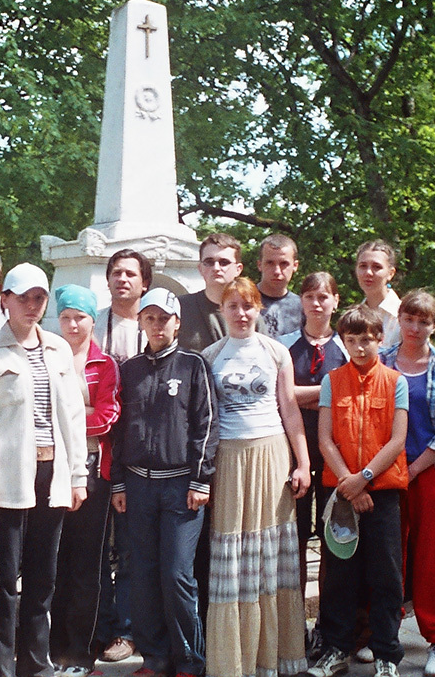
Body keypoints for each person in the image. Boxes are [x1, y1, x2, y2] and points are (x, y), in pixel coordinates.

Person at [0, 263, 89, 677]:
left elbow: (71, 415)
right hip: (8, 478)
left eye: (39, 298)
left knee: (42, 579)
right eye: (23, 298)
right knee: (2, 581)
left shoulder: (57, 348)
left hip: (51, 474)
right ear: (5, 300)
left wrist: (77, 475)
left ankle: (36, 664)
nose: (31, 306)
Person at [202, 278, 311, 677]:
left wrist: (302, 463)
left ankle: (275, 656)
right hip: (229, 459)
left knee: (270, 554)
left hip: (271, 455)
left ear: (258, 309)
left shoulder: (276, 351)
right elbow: (205, 420)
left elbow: (290, 410)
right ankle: (235, 661)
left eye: (248, 306)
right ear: (223, 310)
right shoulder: (210, 355)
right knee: (232, 556)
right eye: (233, 306)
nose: (242, 313)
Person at [109, 288, 217, 677]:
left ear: (177, 322)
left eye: (164, 318)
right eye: (150, 318)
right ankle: (155, 657)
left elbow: (206, 425)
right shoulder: (131, 369)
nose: (157, 325)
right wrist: (119, 483)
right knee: (141, 572)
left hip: (180, 487)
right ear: (141, 321)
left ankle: (189, 659)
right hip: (138, 486)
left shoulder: (193, 365)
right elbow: (120, 430)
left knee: (176, 574)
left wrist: (201, 479)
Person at [308, 304, 409, 677]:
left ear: (380, 339)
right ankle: (336, 650)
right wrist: (349, 484)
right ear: (344, 342)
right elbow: (325, 438)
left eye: (367, 339)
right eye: (352, 340)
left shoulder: (396, 382)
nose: (360, 348)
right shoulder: (333, 380)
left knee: (386, 575)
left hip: (381, 492)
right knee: (339, 575)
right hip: (342, 493)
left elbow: (397, 440)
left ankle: (386, 654)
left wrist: (363, 477)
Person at [380, 290, 435, 677]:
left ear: (434, 325)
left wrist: (412, 469)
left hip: (427, 470)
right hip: (386, 470)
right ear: (399, 318)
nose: (415, 328)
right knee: (388, 554)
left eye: (424, 321)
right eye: (409, 319)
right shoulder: (382, 360)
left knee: (433, 557)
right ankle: (386, 635)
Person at [50, 285, 121, 676]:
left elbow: (108, 416)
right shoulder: (47, 358)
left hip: (95, 472)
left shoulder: (105, 365)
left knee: (87, 565)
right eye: (66, 317)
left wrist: (66, 419)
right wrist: (81, 413)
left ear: (94, 320)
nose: (73, 324)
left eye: (80, 317)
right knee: (55, 561)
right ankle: (54, 647)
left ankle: (81, 652)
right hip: (53, 469)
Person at [277, 272, 347, 658]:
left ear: (335, 301)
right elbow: (282, 398)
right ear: (300, 302)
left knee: (334, 540)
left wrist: (304, 396)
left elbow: (350, 399)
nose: (317, 303)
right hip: (295, 456)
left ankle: (329, 624)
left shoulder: (347, 348)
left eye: (324, 296)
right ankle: (296, 623)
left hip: (338, 456)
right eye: (309, 296)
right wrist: (330, 390)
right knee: (296, 541)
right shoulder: (285, 348)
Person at [92, 249, 151, 663]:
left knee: (131, 546)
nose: (122, 280)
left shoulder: (155, 324)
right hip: (94, 446)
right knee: (93, 544)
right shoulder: (91, 322)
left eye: (131, 274)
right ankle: (98, 625)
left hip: (138, 449)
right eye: (116, 273)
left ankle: (128, 630)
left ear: (144, 282)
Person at [177, 233, 242, 352]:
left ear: (238, 269)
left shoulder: (249, 310)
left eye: (224, 262)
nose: (216, 268)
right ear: (200, 268)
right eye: (209, 262)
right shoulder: (180, 308)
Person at [354, 240, 401, 348]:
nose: (368, 273)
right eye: (363, 266)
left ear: (390, 273)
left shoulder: (405, 316)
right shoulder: (353, 316)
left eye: (376, 267)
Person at [256, 234, 304, 339]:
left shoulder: (304, 307)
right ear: (259, 265)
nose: (277, 271)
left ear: (295, 266)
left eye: (284, 263)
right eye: (270, 263)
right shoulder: (243, 302)